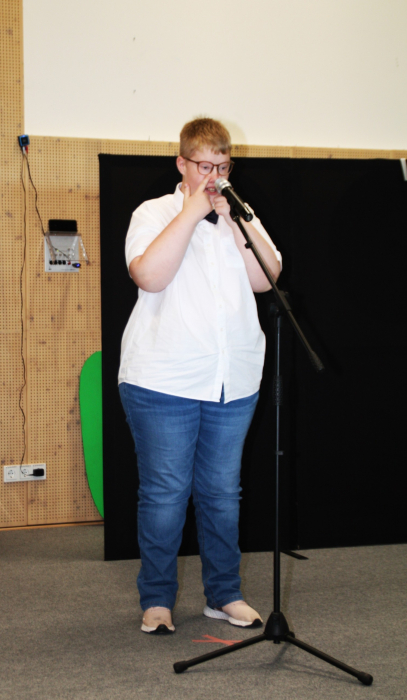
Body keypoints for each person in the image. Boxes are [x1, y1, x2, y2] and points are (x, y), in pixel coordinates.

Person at [119, 117, 282, 634]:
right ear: (182, 164)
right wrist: (192, 210)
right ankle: (157, 600)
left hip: (232, 379)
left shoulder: (239, 213)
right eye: (204, 166)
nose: (214, 177)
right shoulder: (154, 212)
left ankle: (224, 594)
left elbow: (268, 277)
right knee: (166, 494)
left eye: (223, 167)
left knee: (221, 493)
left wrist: (233, 221)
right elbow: (149, 275)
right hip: (162, 379)